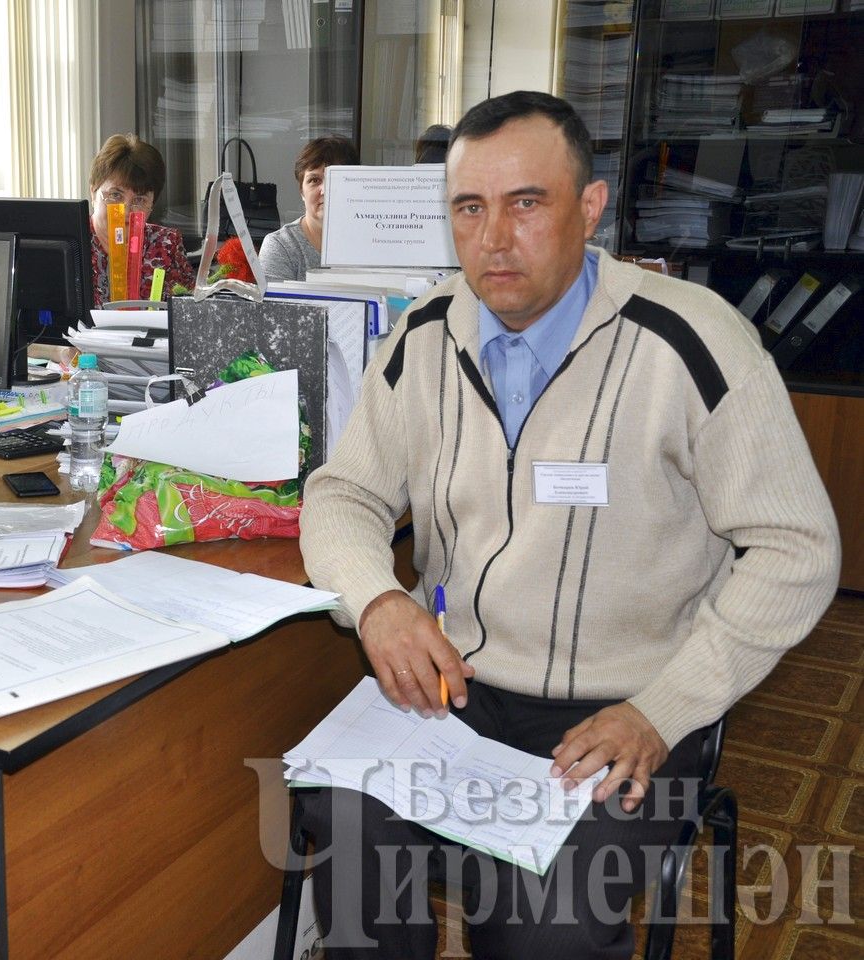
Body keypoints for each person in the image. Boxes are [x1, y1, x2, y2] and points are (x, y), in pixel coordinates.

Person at [296, 91, 839, 958]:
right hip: (458, 695)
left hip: (626, 708)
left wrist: (666, 708)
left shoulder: (690, 341)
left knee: (541, 925)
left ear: (587, 209)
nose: (493, 237)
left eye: (525, 203)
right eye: (469, 208)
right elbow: (342, 495)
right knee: (349, 839)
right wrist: (376, 601)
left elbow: (798, 549)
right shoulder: (424, 335)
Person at [88, 134, 196, 305]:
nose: (126, 211)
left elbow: (188, 313)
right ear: (93, 192)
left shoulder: (167, 244)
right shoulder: (73, 242)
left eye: (139, 200)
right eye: (115, 195)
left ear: (152, 204)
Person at [258, 136, 359, 282]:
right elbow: (275, 305)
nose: (325, 190)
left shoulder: (372, 242)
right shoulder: (281, 246)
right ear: (302, 191)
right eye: (314, 180)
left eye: (336, 179)